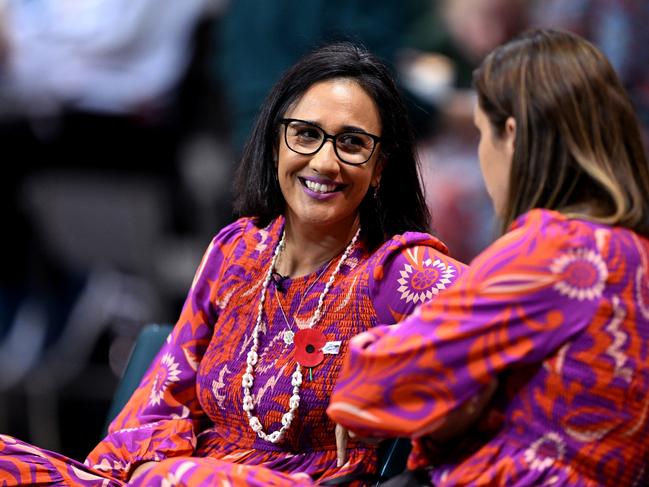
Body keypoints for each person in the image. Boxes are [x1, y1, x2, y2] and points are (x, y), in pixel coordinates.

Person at [0, 42, 465, 486]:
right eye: (306, 135)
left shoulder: (401, 271)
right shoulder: (236, 250)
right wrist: (140, 471)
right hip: (177, 477)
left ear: (380, 166)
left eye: (352, 143)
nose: (325, 162)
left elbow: (498, 332)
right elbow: (165, 395)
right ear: (276, 142)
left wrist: (396, 388)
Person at [328, 29, 649, 486]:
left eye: (482, 132)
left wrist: (454, 399)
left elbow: (372, 387)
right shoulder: (634, 251)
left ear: (512, 135)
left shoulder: (557, 250)